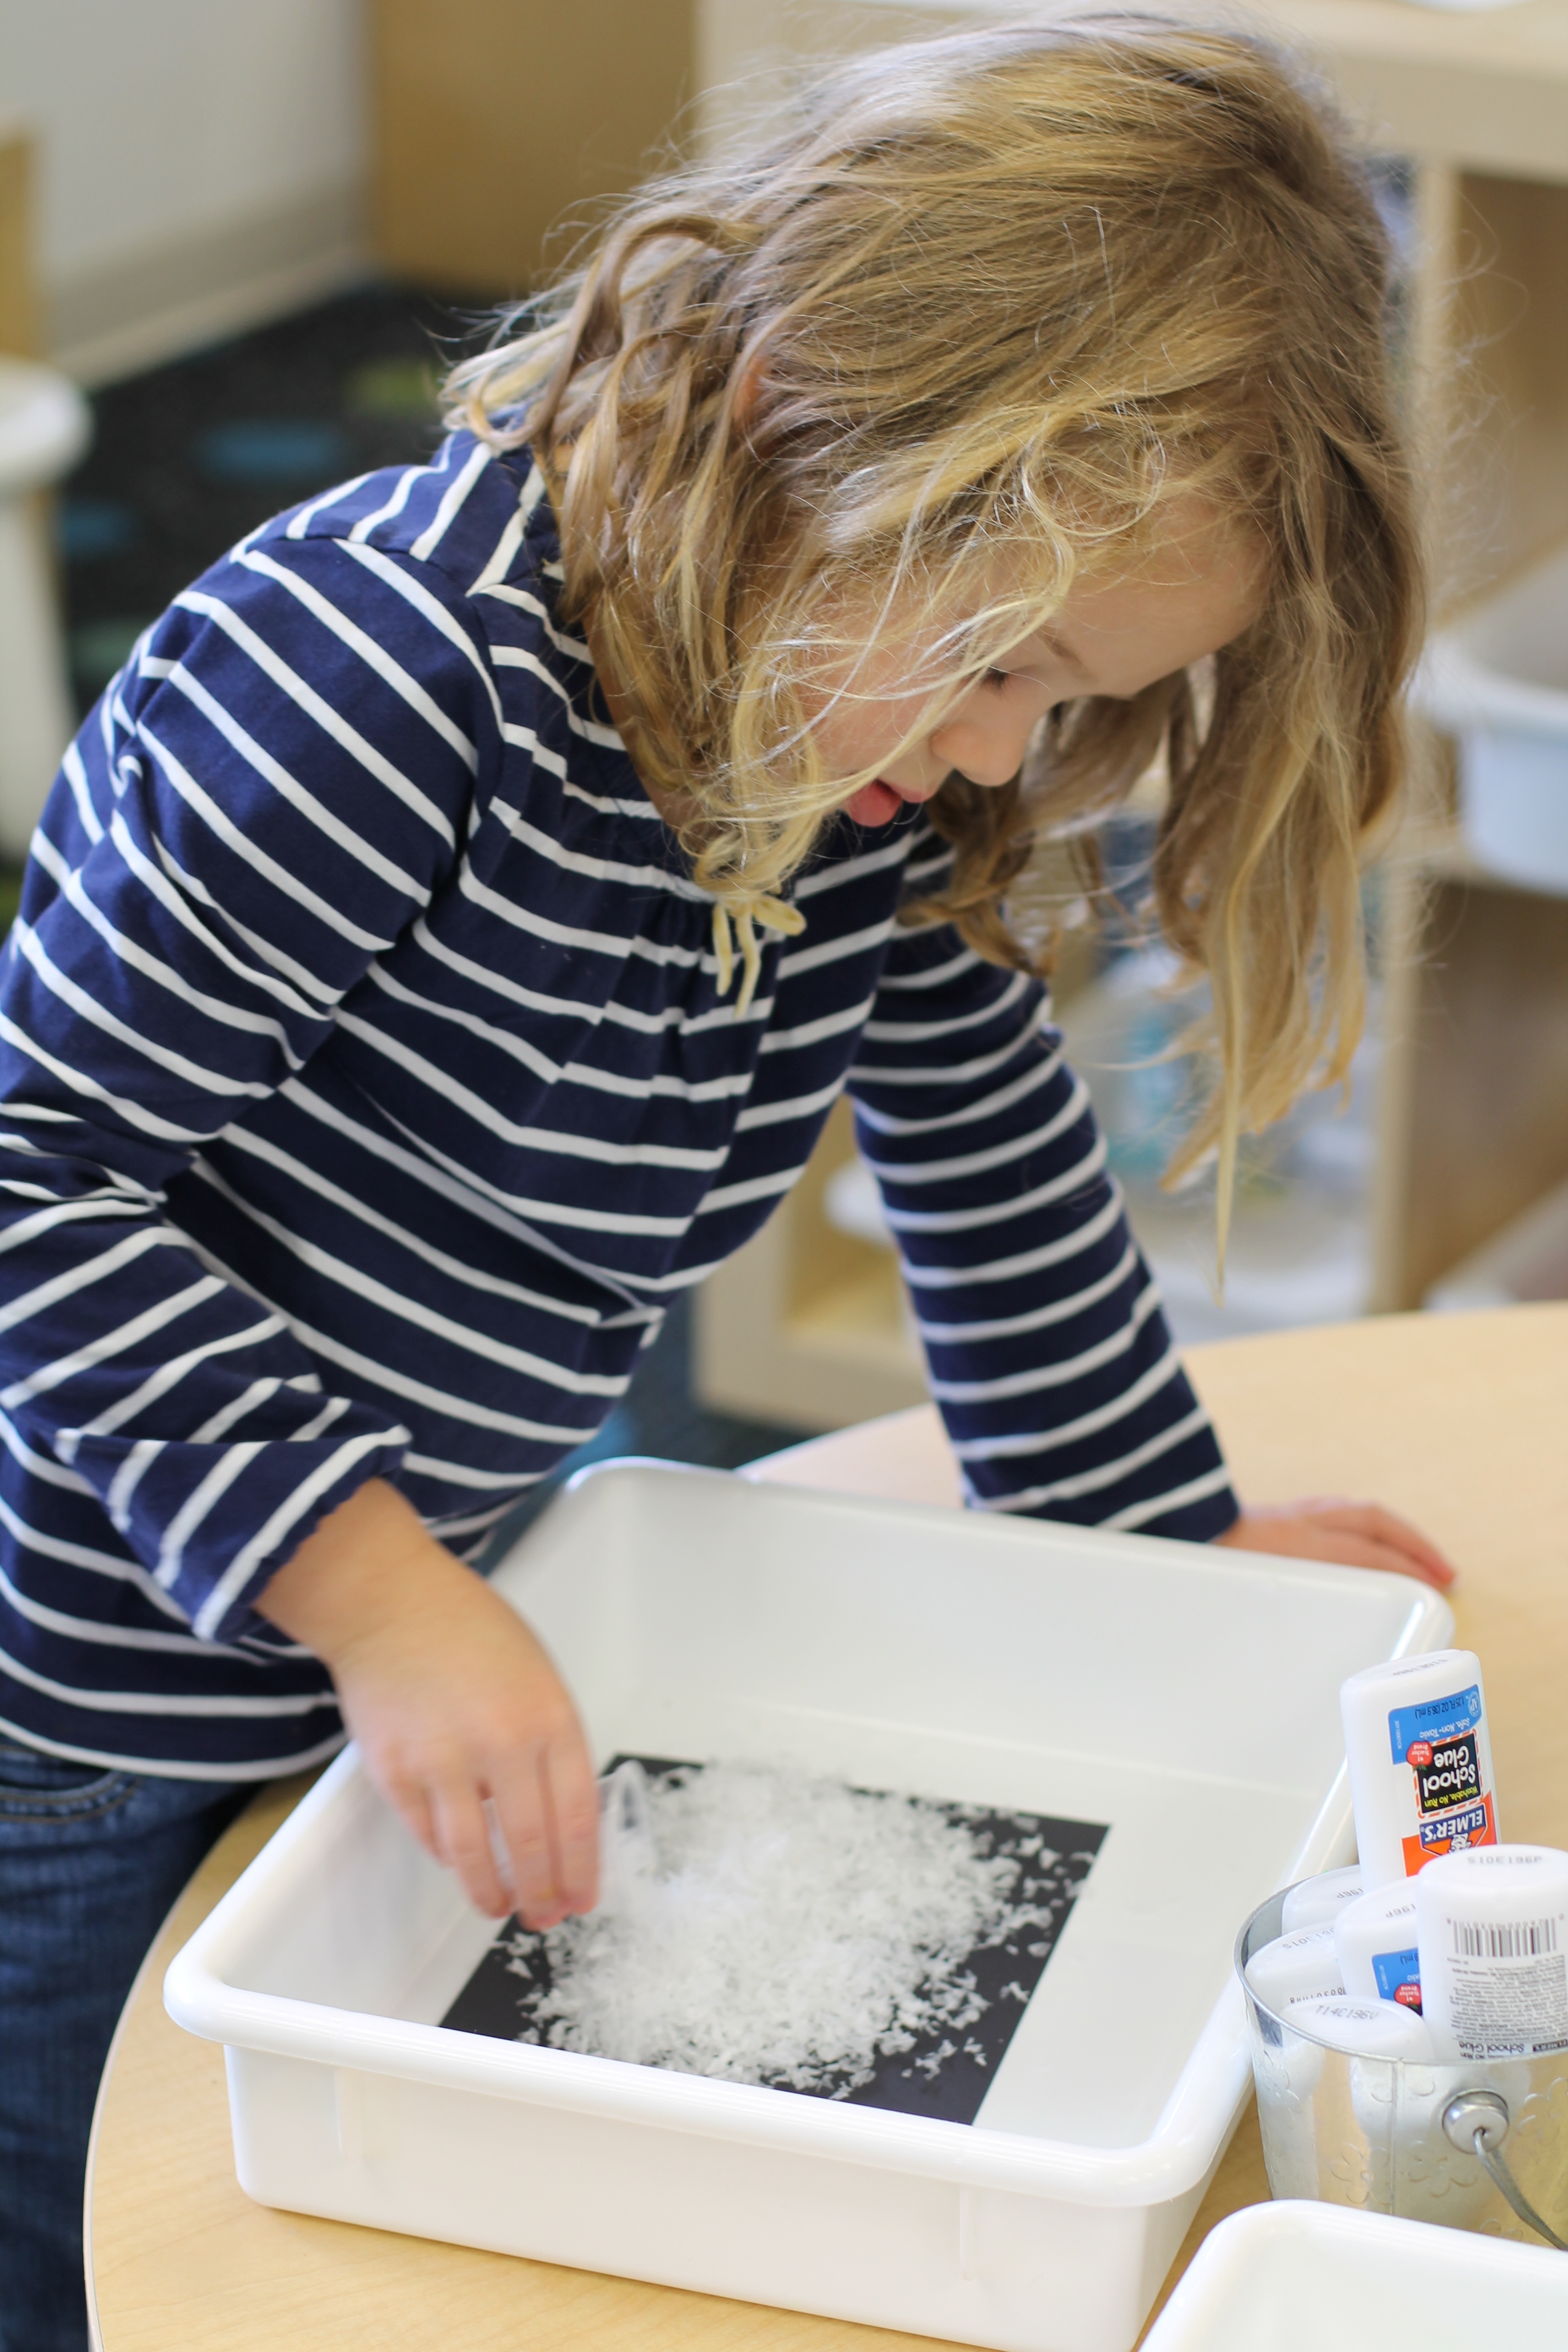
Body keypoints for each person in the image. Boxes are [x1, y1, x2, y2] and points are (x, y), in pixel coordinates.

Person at [0, 18, 1456, 2347]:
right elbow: (37, 1185)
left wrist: (1158, 1549)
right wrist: (377, 1597)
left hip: (401, 1620)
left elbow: (987, 1153)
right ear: (799, 418)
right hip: (75, 1707)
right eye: (1000, 665)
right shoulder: (381, 679)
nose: (1003, 750)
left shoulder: (855, 738)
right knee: (94, 2229)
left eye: (1067, 702)